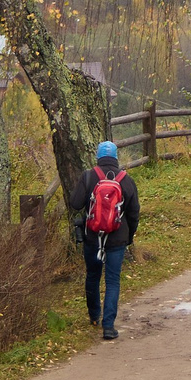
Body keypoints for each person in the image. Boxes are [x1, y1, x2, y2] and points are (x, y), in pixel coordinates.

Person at [74, 140, 140, 341]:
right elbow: (134, 213)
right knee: (112, 281)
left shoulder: (88, 176)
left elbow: (75, 203)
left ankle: (94, 316)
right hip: (117, 239)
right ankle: (108, 327)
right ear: (116, 157)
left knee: (93, 276)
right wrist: (129, 236)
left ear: (98, 156)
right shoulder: (126, 180)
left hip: (93, 236)